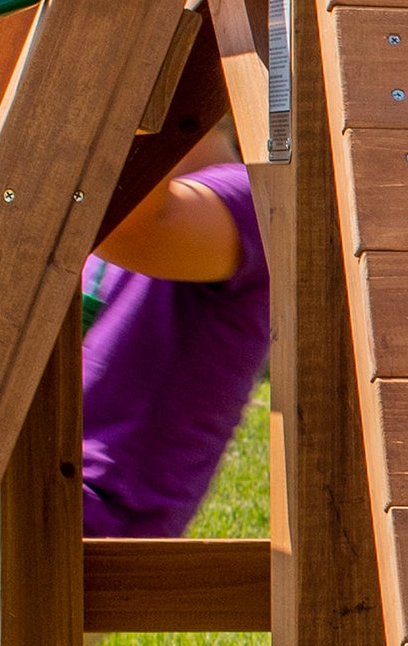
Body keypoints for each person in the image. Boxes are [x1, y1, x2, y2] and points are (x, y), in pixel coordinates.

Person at [80, 124, 268, 538]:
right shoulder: (151, 194)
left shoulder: (247, 200)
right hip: (55, 492)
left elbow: (130, 225)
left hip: (97, 516)